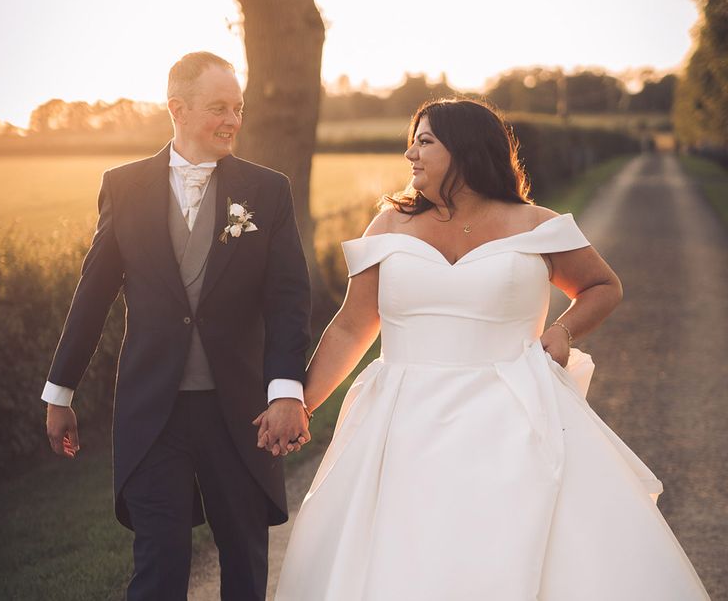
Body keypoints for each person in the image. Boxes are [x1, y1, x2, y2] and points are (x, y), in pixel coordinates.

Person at [269, 99, 710, 600]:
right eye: (413, 140)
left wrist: (564, 331)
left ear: (467, 149)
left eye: (425, 140)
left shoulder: (536, 224)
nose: (410, 152)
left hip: (515, 412)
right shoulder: (389, 226)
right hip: (402, 418)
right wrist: (299, 405)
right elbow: (351, 327)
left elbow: (602, 286)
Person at [42, 51, 312, 601]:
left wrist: (286, 391)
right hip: (153, 412)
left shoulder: (267, 190)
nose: (233, 120)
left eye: (237, 108)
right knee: (159, 566)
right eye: (219, 108)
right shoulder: (124, 187)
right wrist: (59, 390)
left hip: (241, 413)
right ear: (178, 109)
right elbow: (92, 295)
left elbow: (288, 298)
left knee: (244, 563)